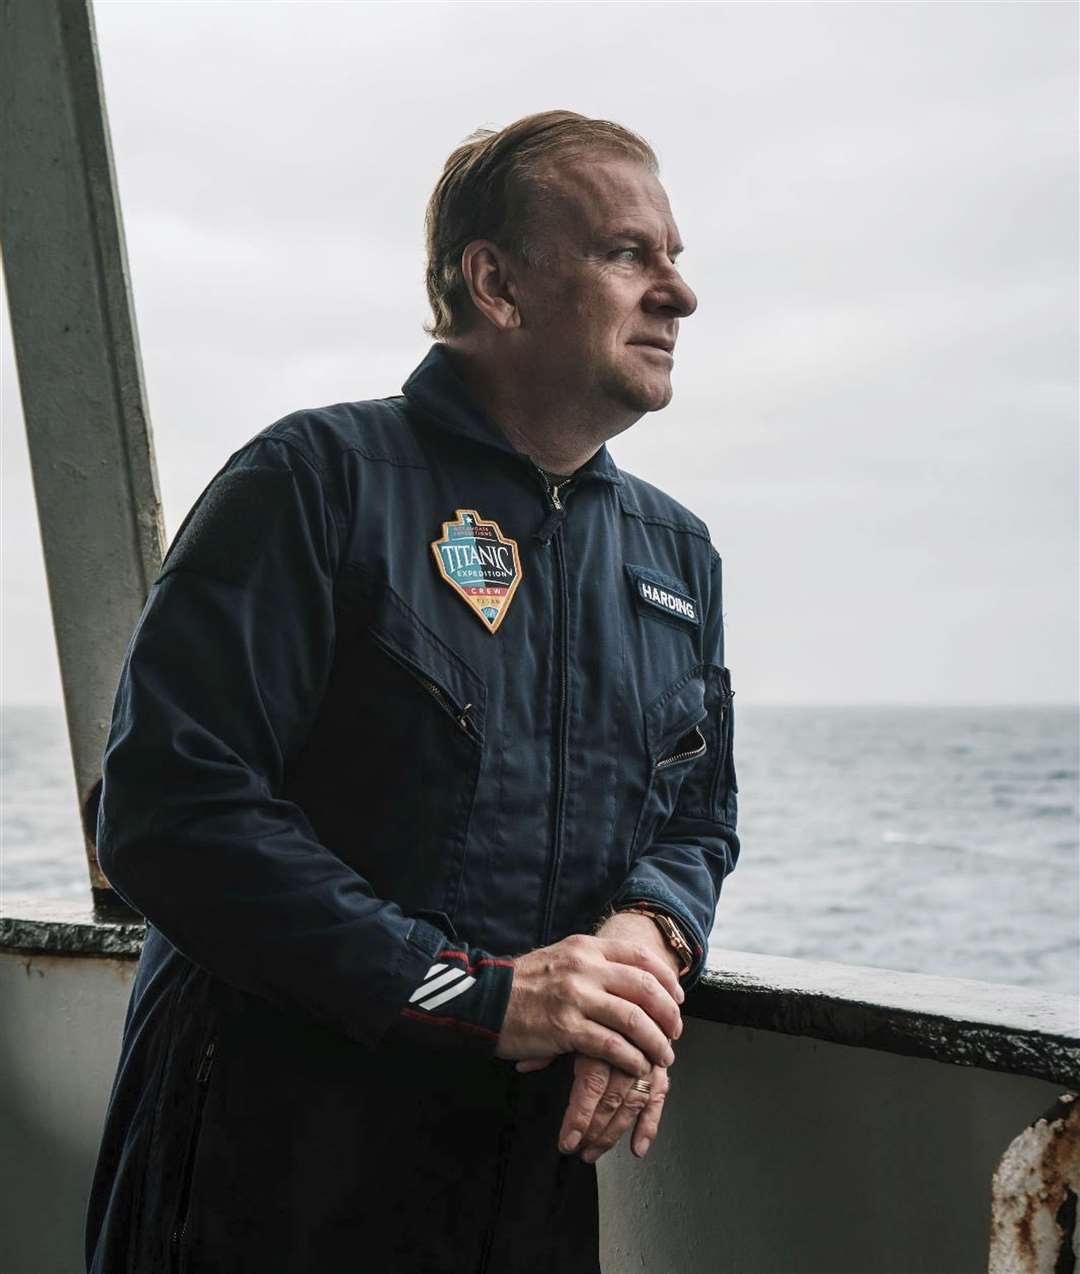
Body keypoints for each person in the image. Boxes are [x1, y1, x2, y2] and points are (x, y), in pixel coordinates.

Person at [85, 110, 739, 1274]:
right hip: (268, 1174)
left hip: (523, 1185)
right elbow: (167, 810)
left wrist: (647, 938)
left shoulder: (672, 557)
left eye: (675, 256)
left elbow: (698, 817)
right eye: (629, 253)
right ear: (497, 282)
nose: (678, 293)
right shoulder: (315, 483)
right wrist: (480, 994)